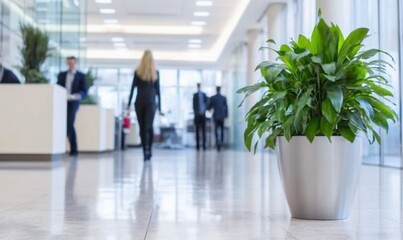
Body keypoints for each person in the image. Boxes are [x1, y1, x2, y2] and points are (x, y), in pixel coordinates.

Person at [127, 50, 162, 161]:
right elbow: (158, 92)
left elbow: (132, 89)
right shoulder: (154, 73)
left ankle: (145, 151)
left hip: (140, 102)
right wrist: (160, 107)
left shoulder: (139, 72)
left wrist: (128, 104)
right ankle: (148, 150)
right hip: (150, 102)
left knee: (143, 128)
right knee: (148, 126)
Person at [57, 56, 88, 156]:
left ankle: (72, 149)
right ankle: (69, 149)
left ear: (75, 63)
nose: (70, 65)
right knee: (65, 125)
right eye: (69, 63)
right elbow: (58, 87)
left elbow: (84, 91)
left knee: (69, 124)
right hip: (62, 102)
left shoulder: (81, 76)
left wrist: (77, 96)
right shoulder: (62, 75)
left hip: (73, 103)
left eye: (72, 63)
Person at [208, 86, 228, 151]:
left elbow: (208, 107)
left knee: (216, 130)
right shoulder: (223, 98)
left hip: (216, 116)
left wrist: (210, 111)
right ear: (220, 90)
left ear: (216, 90)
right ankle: (221, 143)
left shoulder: (213, 98)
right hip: (222, 116)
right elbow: (226, 107)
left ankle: (217, 143)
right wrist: (226, 115)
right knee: (222, 130)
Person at [193, 83, 208, 151]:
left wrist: (203, 111)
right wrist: (197, 112)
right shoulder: (195, 95)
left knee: (204, 131)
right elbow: (193, 105)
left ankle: (204, 145)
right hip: (197, 115)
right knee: (197, 131)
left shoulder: (204, 95)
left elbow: (207, 104)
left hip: (203, 115)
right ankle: (197, 146)